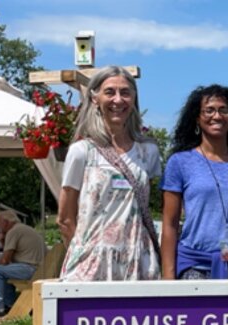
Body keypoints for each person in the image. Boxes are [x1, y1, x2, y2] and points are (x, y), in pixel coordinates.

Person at [57, 65, 162, 281]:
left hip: (138, 259)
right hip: (91, 261)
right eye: (109, 92)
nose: (118, 100)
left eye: (125, 92)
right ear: (94, 98)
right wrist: (83, 253)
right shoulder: (82, 152)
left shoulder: (147, 152)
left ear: (134, 98)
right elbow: (65, 218)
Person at [160, 84, 228, 280]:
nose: (217, 116)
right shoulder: (179, 163)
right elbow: (169, 224)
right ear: (197, 117)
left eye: (223, 110)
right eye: (209, 110)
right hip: (196, 266)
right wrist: (168, 279)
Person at [0, 210, 45, 318]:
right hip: (39, 268)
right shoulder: (25, 229)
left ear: (6, 222)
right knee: (5, 270)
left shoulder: (13, 231)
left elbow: (5, 260)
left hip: (30, 269)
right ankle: (9, 304)